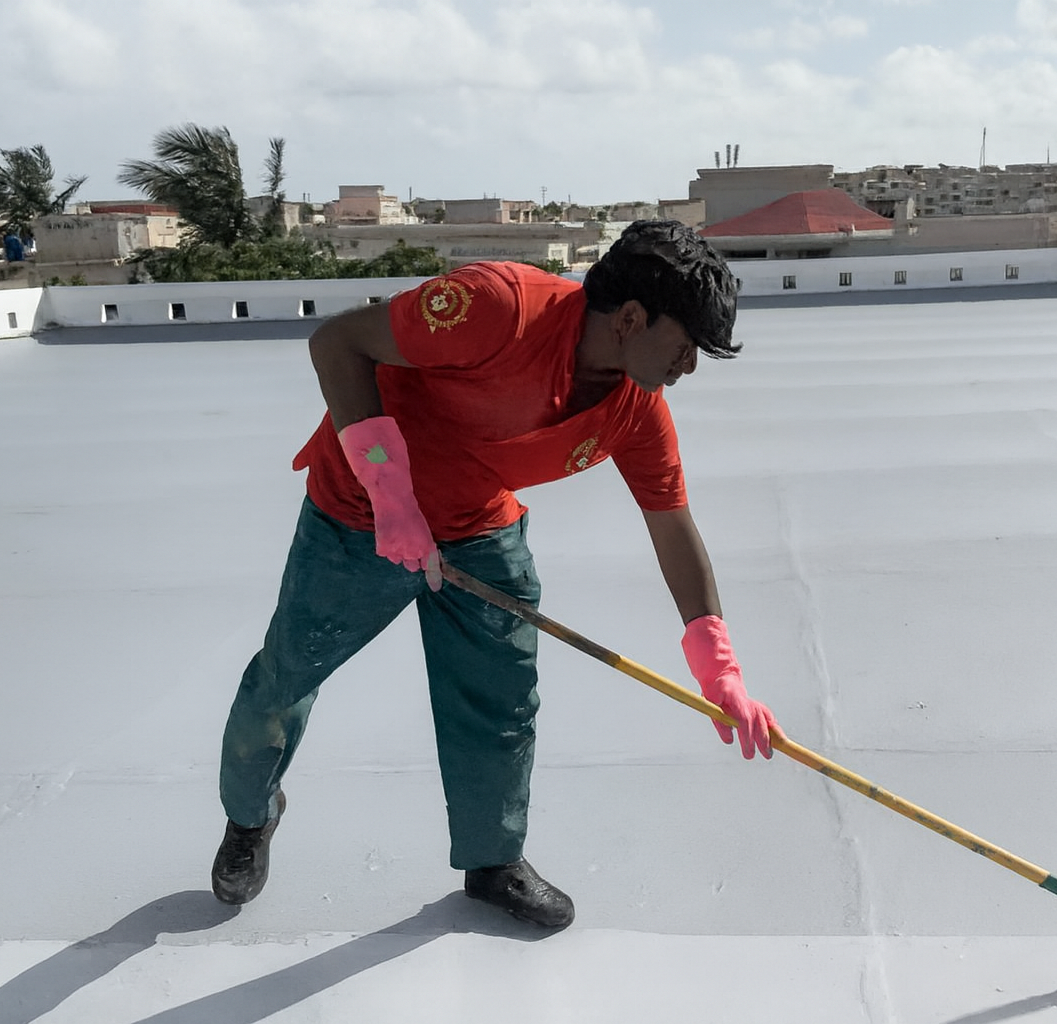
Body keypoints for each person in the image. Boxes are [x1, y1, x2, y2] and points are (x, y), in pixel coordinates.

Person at [211, 221, 781, 930]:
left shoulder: (635, 411)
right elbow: (337, 343)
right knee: (284, 680)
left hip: (480, 531)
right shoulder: (497, 309)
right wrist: (390, 499)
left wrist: (718, 666)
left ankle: (493, 860)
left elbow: (672, 526)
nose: (689, 366)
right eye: (687, 344)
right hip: (357, 518)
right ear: (631, 319)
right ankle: (249, 818)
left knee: (501, 704)